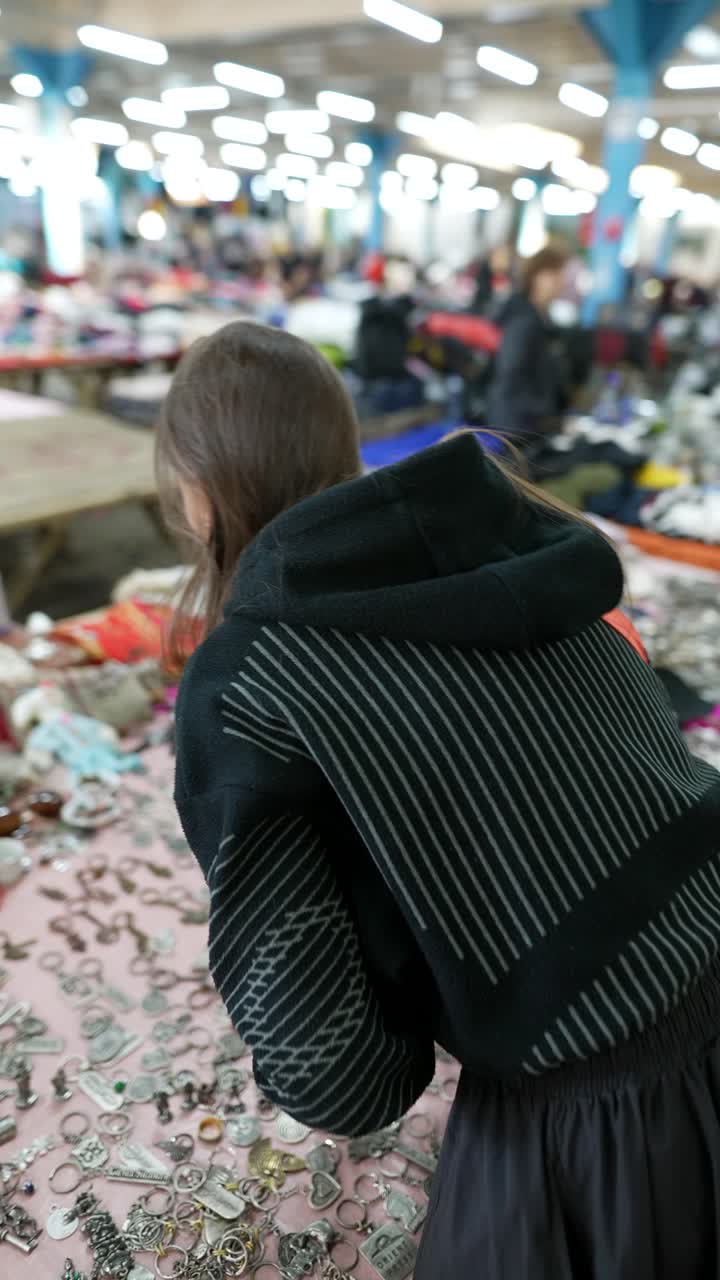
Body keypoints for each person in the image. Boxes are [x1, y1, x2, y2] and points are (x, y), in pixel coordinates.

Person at [162, 320, 720, 1279]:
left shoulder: (253, 680)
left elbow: (339, 1077)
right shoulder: (515, 548)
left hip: (612, 1130)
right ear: (344, 449)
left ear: (195, 489)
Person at [487, 243, 570, 442]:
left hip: (530, 426)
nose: (561, 281)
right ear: (537, 276)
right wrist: (542, 414)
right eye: (556, 274)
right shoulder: (524, 321)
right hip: (516, 429)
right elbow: (510, 375)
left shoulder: (542, 320)